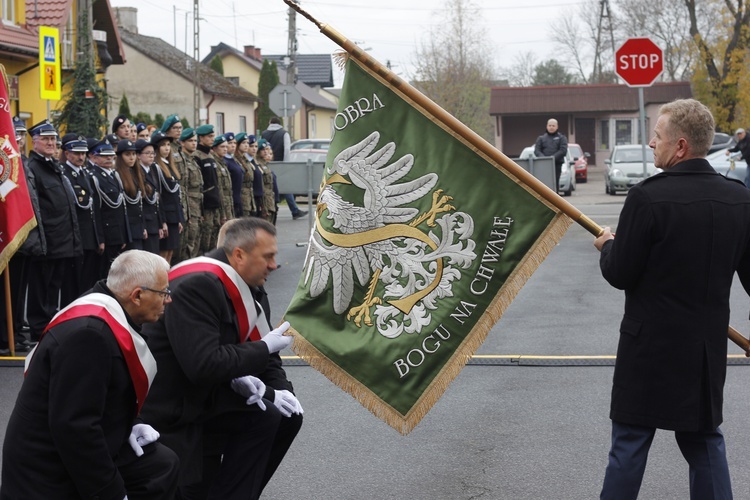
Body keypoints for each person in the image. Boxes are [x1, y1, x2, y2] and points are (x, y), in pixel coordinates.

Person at [594, 98, 750, 500]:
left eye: (657, 136)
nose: (651, 143)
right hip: (703, 350)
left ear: (680, 146)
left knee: (629, 444)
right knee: (704, 444)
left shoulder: (647, 198)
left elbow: (620, 273)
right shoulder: (739, 200)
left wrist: (609, 245)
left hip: (648, 348)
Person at [139, 217, 303, 499]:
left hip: (211, 391)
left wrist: (282, 392)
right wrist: (262, 351)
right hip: (176, 402)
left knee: (285, 416)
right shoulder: (197, 286)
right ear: (239, 255)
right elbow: (203, 365)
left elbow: (266, 353)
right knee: (259, 420)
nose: (274, 265)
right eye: (268, 256)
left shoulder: (250, 285)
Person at [1, 250, 180, 499]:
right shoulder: (90, 336)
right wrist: (111, 493)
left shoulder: (107, 308)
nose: (168, 300)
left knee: (162, 464)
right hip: (46, 470)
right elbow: (75, 428)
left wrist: (131, 424)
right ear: (137, 295)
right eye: (164, 293)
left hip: (75, 443)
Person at [25, 120, 82, 345]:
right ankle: (39, 329)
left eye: (53, 139)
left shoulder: (53, 166)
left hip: (63, 239)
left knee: (53, 288)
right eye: (46, 139)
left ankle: (48, 324)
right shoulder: (33, 168)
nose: (51, 143)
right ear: (35, 141)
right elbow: (36, 207)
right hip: (46, 240)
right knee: (41, 289)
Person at [60, 134, 104, 304]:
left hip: (90, 238)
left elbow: (95, 208)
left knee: (87, 281)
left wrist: (99, 238)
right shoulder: (64, 174)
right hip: (76, 238)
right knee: (72, 284)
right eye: (76, 153)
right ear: (66, 153)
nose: (81, 157)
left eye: (83, 153)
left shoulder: (85, 173)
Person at [89, 138, 131, 277]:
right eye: (103, 155)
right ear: (94, 158)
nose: (108, 158)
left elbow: (121, 209)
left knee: (116, 274)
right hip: (107, 235)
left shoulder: (114, 176)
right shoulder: (94, 177)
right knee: (105, 273)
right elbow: (96, 212)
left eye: (110, 155)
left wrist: (124, 234)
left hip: (117, 234)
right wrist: (100, 239)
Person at [260, 117, 307, 220]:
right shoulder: (284, 133)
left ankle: (288, 209)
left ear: (270, 122)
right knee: (286, 187)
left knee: (270, 187)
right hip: (281, 163)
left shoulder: (264, 133)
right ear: (280, 123)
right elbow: (286, 149)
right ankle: (294, 210)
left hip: (267, 164)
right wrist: (286, 164)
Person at [152, 130, 184, 264]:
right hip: (166, 215)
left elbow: (176, 194)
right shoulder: (157, 166)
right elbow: (159, 196)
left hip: (174, 215)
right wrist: (162, 221)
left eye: (168, 145)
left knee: (170, 252)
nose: (167, 148)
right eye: (163, 145)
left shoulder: (169, 165)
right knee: (163, 254)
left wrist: (179, 218)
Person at [176, 127, 204, 260]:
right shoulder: (181, 161)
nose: (194, 143)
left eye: (195, 141)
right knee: (188, 244)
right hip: (189, 207)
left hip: (196, 206)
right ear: (182, 143)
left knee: (195, 241)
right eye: (190, 141)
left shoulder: (193, 160)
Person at [195, 124, 223, 253]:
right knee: (204, 241)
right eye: (209, 136)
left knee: (214, 239)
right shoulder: (197, 156)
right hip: (205, 204)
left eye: (213, 136)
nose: (213, 139)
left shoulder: (210, 156)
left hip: (215, 202)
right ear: (201, 138)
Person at [116, 139, 147, 251]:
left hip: (137, 227)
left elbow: (139, 205)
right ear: (120, 156)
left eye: (134, 154)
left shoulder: (135, 173)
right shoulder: (117, 175)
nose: (131, 157)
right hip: (127, 229)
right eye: (127, 154)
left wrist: (142, 227)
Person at [136, 139, 162, 255]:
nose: (151, 156)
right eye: (147, 153)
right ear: (139, 155)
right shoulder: (138, 172)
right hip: (146, 221)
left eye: (153, 153)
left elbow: (157, 200)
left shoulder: (152, 170)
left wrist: (161, 223)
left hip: (154, 221)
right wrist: (143, 226)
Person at [534, 118, 568, 191]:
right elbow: (537, 151)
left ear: (557, 126)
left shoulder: (562, 138)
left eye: (553, 125)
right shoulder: (541, 138)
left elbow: (563, 150)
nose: (551, 127)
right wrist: (545, 160)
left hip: (556, 165)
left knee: (555, 185)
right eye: (550, 125)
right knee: (543, 185)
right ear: (547, 126)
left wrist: (551, 159)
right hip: (543, 166)